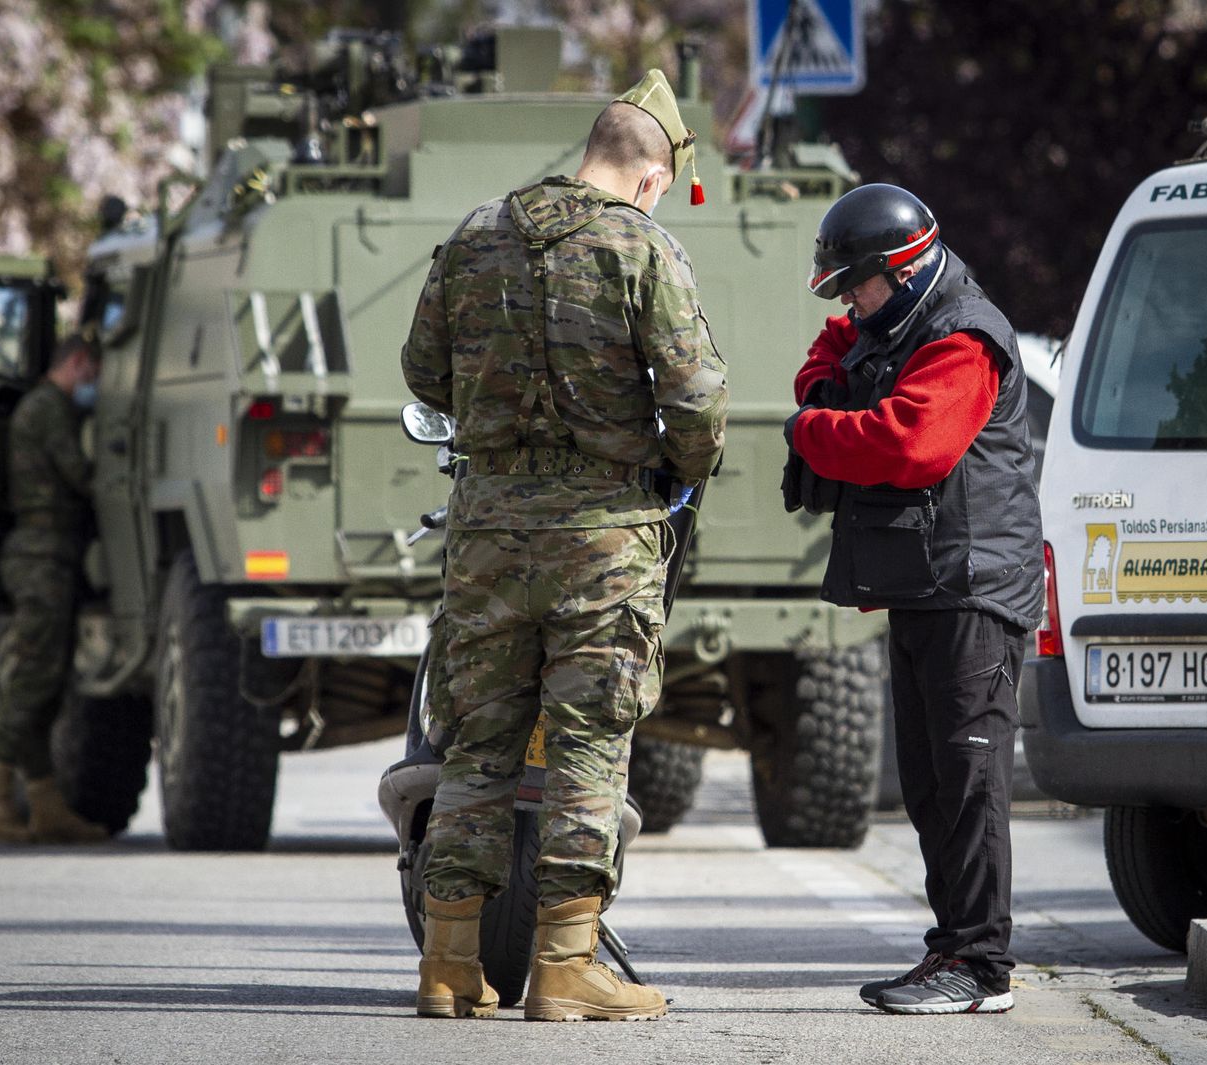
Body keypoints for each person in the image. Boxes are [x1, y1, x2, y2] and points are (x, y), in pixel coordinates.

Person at [400, 68, 726, 1022]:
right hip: (603, 540)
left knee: (475, 749)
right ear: (652, 176)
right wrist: (676, 474)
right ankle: (566, 969)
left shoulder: (471, 237)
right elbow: (698, 400)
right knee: (588, 748)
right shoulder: (643, 248)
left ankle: (450, 962)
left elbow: (422, 371)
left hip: (487, 533)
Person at [784, 183, 1043, 1015]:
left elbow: (911, 443)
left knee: (969, 782)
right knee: (931, 784)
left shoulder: (964, 337)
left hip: (973, 590)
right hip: (927, 586)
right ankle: (954, 945)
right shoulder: (894, 320)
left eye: (857, 284)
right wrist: (826, 387)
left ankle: (981, 965)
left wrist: (807, 432)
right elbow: (826, 360)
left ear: (900, 269)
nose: (850, 302)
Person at [0, 332, 111, 846]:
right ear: (75, 363)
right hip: (40, 557)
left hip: (49, 557)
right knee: (29, 679)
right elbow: (80, 474)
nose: (94, 383)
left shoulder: (41, 406)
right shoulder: (47, 408)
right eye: (92, 372)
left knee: (44, 685)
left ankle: (45, 804)